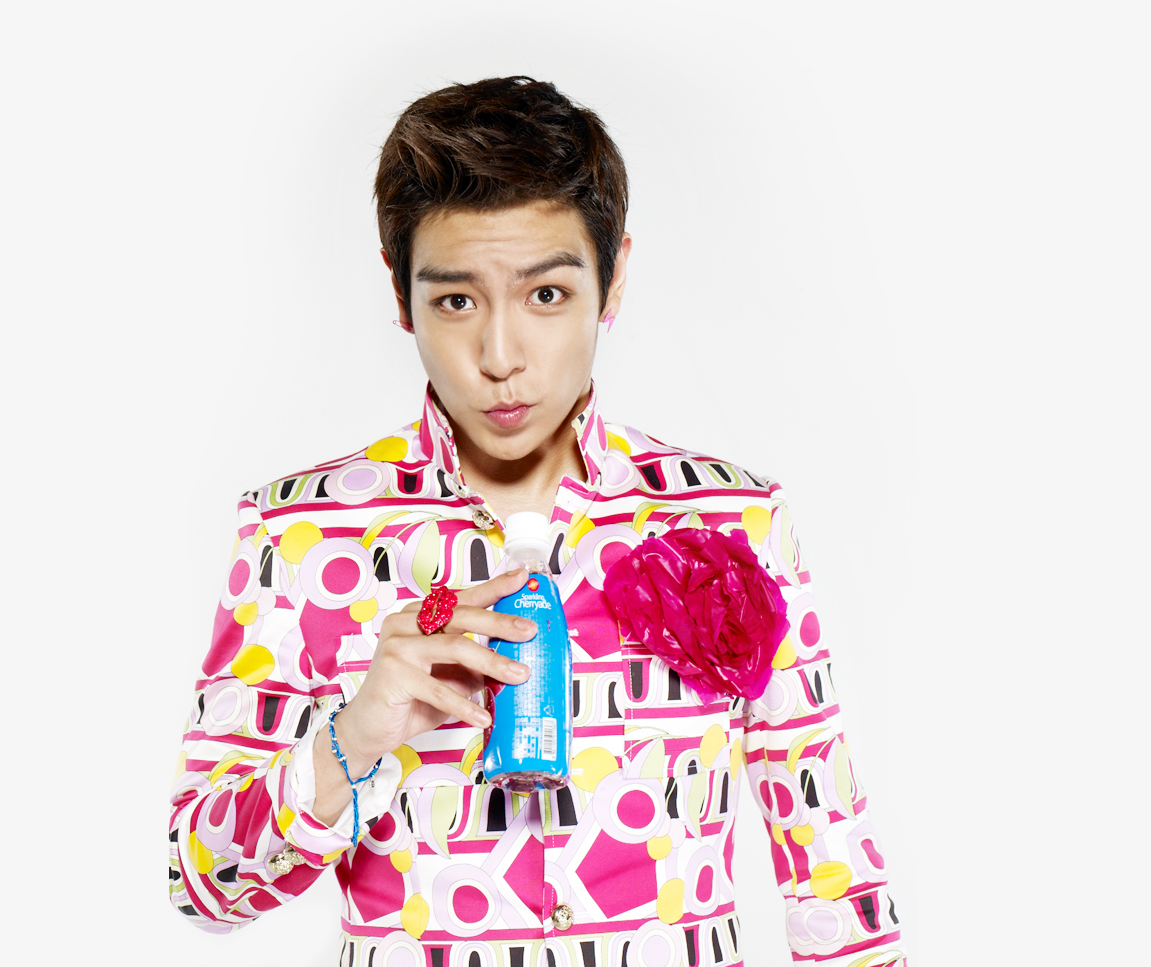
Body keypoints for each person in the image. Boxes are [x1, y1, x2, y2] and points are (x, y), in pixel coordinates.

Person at [168, 76, 907, 967]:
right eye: (457, 301)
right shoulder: (299, 536)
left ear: (612, 278)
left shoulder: (735, 519)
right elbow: (200, 886)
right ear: (401, 296)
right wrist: (352, 738)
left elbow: (830, 863)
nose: (501, 357)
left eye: (546, 295)